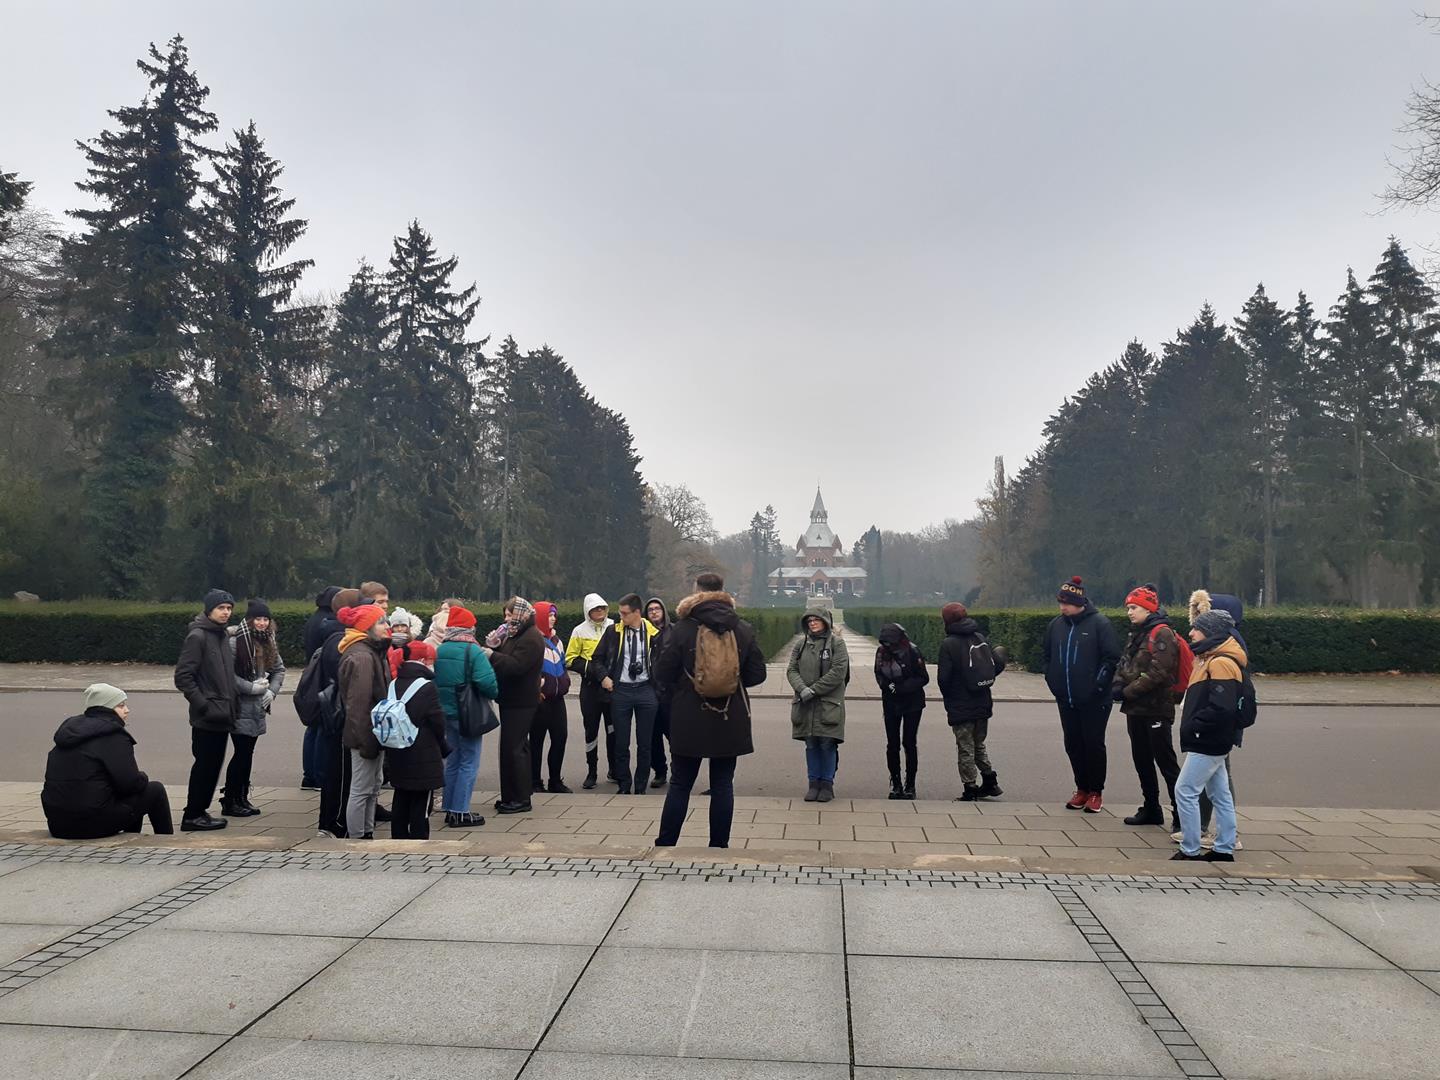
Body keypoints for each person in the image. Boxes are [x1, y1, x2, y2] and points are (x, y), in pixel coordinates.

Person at [653, 573, 768, 848]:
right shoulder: (741, 628)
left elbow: (662, 672)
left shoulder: (682, 628)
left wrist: (684, 686)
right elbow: (757, 674)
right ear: (723, 592)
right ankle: (719, 845)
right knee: (723, 784)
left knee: (680, 783)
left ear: (696, 592)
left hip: (688, 715)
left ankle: (666, 843)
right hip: (729, 715)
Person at [42, 684, 173, 839]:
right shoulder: (114, 736)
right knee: (155, 790)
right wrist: (142, 777)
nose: (127, 710)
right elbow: (130, 784)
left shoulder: (69, 733)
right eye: (121, 705)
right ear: (107, 708)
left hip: (58, 824)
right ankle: (167, 841)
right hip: (92, 824)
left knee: (124, 797)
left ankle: (131, 837)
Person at [1042, 575, 1121, 814]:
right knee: (1073, 744)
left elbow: (1111, 659)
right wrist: (1052, 680)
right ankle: (1081, 788)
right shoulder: (1056, 625)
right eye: (1060, 602)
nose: (1062, 607)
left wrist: (1097, 687)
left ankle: (1096, 791)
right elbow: (1047, 656)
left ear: (1080, 603)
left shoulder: (1100, 624)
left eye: (1066, 602)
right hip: (1066, 698)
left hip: (1095, 699)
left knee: (1093, 744)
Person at [1171, 608, 1245, 862]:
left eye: (1197, 628)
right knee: (1220, 794)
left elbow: (1222, 707)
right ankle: (1224, 847)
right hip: (1213, 738)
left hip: (1208, 739)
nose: (1191, 632)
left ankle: (1190, 848)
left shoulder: (1220, 662)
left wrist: (1196, 725)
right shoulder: (1209, 658)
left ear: (1211, 632)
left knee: (1185, 790)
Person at [1113, 585, 1182, 829]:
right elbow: (1125, 662)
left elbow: (1159, 672)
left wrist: (1127, 692)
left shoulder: (1162, 633)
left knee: (1165, 762)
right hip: (1136, 709)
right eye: (1128, 608)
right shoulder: (1137, 632)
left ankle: (1181, 814)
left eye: (1134, 607)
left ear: (1148, 609)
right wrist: (1117, 683)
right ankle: (1151, 807)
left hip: (1156, 708)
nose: (1129, 612)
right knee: (1141, 759)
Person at [173, 588, 239, 831]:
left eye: (229, 608)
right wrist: (203, 704)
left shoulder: (220, 635)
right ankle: (192, 815)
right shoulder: (198, 636)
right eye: (221, 608)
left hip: (223, 713)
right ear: (209, 609)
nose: (226, 612)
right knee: (204, 766)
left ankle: (200, 811)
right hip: (208, 715)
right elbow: (183, 677)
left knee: (213, 767)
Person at [433, 604, 498, 827]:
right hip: (468, 714)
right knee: (469, 762)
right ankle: (460, 811)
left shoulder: (440, 650)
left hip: (446, 712)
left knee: (452, 760)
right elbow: (487, 683)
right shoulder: (473, 651)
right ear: (469, 628)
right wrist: (494, 693)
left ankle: (449, 807)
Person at [592, 593, 661, 795]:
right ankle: (624, 784)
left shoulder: (654, 633)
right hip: (620, 690)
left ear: (637, 612)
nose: (620, 617)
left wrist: (658, 688)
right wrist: (604, 677)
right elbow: (596, 659)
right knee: (621, 743)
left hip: (646, 690)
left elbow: (665, 662)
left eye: (624, 613)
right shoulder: (613, 632)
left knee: (645, 743)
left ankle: (640, 786)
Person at [936, 603, 1006, 801]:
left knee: (965, 746)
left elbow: (943, 679)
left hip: (961, 702)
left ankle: (970, 787)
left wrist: (950, 697)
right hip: (983, 699)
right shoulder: (979, 637)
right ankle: (990, 780)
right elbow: (997, 664)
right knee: (978, 743)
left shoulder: (949, 644)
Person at [222, 599, 285, 818]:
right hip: (239, 706)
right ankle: (231, 799)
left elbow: (279, 669)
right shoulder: (235, 642)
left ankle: (241, 797)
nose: (262, 623)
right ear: (249, 620)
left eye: (266, 619)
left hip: (257, 707)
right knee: (241, 753)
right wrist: (252, 688)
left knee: (247, 753)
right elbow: (228, 676)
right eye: (258, 618)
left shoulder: (268, 640)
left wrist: (271, 692)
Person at [384, 640, 450, 840]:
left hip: (397, 749)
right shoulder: (426, 687)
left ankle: (398, 837)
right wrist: (443, 746)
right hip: (423, 751)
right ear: (422, 660)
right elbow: (437, 721)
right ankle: (419, 839)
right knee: (421, 800)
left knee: (401, 795)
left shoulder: (394, 684)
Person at [337, 602, 391, 839]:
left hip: (371, 732)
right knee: (361, 788)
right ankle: (358, 837)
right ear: (366, 627)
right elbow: (358, 706)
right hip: (365, 735)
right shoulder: (362, 657)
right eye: (381, 622)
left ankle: (366, 831)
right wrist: (365, 741)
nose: (386, 626)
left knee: (372, 786)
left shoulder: (370, 652)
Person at [488, 597, 546, 813]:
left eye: (510, 615)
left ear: (521, 614)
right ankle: (511, 795)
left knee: (515, 749)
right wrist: (495, 646)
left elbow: (516, 666)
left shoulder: (531, 637)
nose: (506, 619)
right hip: (512, 699)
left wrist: (492, 655)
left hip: (521, 701)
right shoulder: (517, 634)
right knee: (511, 749)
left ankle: (520, 799)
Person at [787, 606, 850, 803]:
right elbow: (792, 670)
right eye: (809, 620)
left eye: (816, 619)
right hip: (805, 703)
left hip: (828, 703)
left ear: (825, 621)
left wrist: (814, 690)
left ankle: (827, 784)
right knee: (811, 744)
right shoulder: (801, 644)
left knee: (827, 743)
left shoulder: (837, 644)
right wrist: (801, 688)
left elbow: (838, 672)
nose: (812, 623)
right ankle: (813, 783)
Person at [315, 588, 362, 836]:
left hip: (336, 715)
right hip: (340, 716)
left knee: (337, 772)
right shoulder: (340, 641)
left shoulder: (334, 635)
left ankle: (331, 821)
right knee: (340, 774)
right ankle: (334, 823)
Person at [565, 593, 615, 789]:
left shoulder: (614, 626)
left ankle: (614, 770)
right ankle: (592, 771)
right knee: (591, 731)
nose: (599, 611)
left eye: (602, 607)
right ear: (588, 611)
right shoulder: (579, 630)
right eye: (595, 608)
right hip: (590, 689)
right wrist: (593, 670)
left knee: (613, 730)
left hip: (611, 687)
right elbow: (570, 659)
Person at [874, 622, 929, 799]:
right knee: (892, 743)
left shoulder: (912, 651)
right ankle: (896, 783)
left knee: (909, 742)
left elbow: (923, 677)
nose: (888, 646)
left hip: (912, 702)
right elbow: (878, 673)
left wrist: (901, 688)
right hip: (891, 702)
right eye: (885, 643)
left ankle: (910, 784)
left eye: (891, 643)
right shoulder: (881, 652)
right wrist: (887, 686)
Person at [300, 585, 343, 790]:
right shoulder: (329, 622)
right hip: (323, 679)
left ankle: (309, 775)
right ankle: (318, 775)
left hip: (313, 675)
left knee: (312, 729)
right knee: (321, 729)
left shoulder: (315, 618)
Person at [530, 601, 572, 794]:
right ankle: (534, 781)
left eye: (554, 615)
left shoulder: (557, 640)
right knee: (536, 741)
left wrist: (565, 682)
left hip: (557, 699)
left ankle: (555, 780)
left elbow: (562, 664)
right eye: (549, 615)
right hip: (540, 699)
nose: (553, 618)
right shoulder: (533, 640)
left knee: (560, 738)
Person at [645, 597, 673, 787]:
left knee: (674, 735)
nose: (654, 612)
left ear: (663, 611)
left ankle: (677, 769)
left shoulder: (674, 632)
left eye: (657, 608)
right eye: (650, 610)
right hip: (649, 692)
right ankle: (659, 771)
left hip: (670, 693)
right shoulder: (642, 633)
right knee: (652, 737)